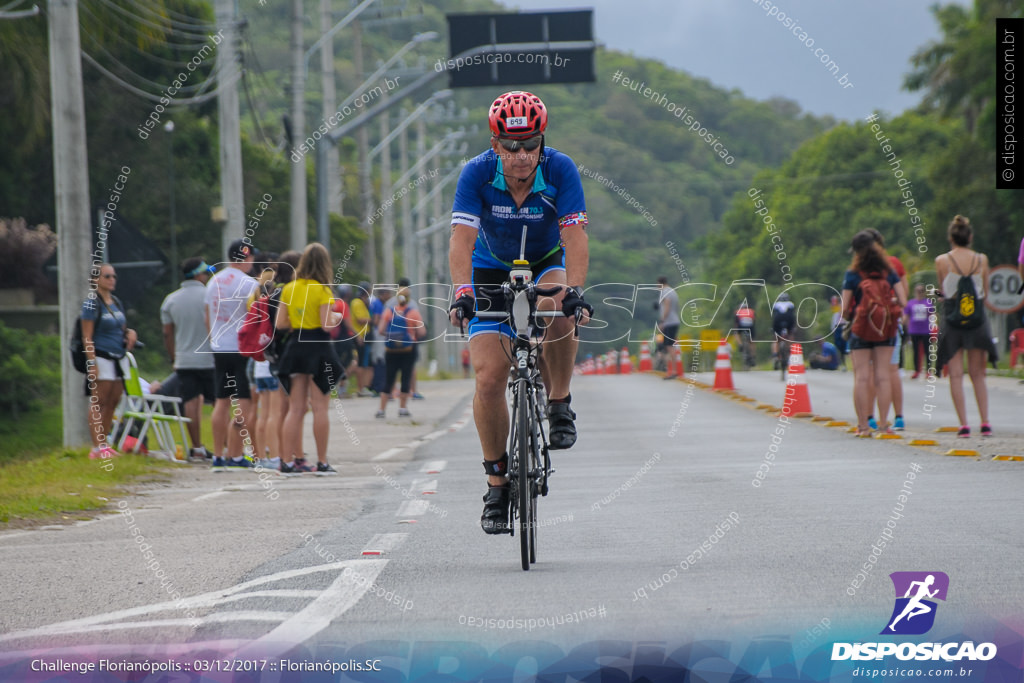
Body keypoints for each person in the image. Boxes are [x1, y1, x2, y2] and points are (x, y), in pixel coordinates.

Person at [447, 90, 593, 535]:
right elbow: (461, 239)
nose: (522, 156)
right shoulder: (475, 173)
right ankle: (497, 484)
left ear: (542, 141)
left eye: (531, 144)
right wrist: (463, 292)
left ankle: (559, 402)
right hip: (489, 268)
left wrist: (575, 290)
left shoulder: (560, 168)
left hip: (547, 259)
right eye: (511, 147)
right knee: (489, 377)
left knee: (558, 308)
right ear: (495, 145)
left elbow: (575, 237)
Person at [275, 242, 344, 475]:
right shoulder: (322, 290)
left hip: (296, 346)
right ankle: (322, 462)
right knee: (320, 407)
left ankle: (286, 461)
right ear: (325, 265)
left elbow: (281, 324)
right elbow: (326, 325)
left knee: (295, 408)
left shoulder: (289, 289)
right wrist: (336, 317)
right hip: (319, 348)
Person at [935, 215, 996, 438]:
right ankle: (986, 422)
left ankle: (963, 425)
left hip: (953, 319)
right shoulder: (982, 260)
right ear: (970, 237)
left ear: (951, 237)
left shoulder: (942, 260)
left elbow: (944, 290)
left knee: (956, 374)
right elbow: (985, 293)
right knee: (978, 374)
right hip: (977, 320)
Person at [841, 230, 907, 437]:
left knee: (861, 377)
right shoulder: (889, 271)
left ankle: (862, 426)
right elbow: (903, 301)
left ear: (857, 252)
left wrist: (855, 314)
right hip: (886, 329)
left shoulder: (852, 274)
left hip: (860, 329)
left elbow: (844, 308)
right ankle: (884, 425)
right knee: (883, 376)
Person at [204, 239, 258, 468]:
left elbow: (207, 317)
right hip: (241, 348)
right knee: (243, 402)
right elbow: (255, 317)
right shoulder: (248, 283)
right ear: (246, 257)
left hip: (219, 348)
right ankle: (235, 453)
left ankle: (218, 454)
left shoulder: (213, 281)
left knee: (221, 401)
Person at [160, 257, 216, 460]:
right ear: (200, 274)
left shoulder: (171, 300)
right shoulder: (210, 295)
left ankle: (197, 448)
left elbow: (167, 333)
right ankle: (226, 448)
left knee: (191, 402)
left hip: (184, 361)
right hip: (209, 359)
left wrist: (174, 356)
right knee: (221, 402)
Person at [81, 263, 137, 459]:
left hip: (118, 357)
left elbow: (121, 328)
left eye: (113, 276)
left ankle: (105, 443)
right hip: (101, 356)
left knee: (114, 400)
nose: (112, 279)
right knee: (99, 401)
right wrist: (92, 363)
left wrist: (130, 333)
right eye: (107, 276)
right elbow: (86, 336)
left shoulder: (116, 302)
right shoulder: (91, 303)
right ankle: (96, 447)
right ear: (96, 279)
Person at [866, 228, 908, 431]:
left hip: (869, 323)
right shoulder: (895, 264)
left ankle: (870, 417)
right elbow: (904, 294)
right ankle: (898, 417)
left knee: (872, 371)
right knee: (892, 370)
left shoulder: (861, 268)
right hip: (892, 319)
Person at [377, 287, 426, 418]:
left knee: (389, 378)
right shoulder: (413, 313)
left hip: (391, 349)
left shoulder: (389, 311)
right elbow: (422, 332)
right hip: (408, 350)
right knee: (406, 377)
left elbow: (380, 330)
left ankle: (382, 410)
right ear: (409, 299)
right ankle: (402, 408)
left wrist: (392, 336)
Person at [350, 282, 375, 396]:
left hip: (367, 334)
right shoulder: (357, 302)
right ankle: (360, 388)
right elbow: (360, 319)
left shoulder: (365, 303)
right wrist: (374, 320)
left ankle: (365, 387)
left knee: (367, 363)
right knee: (361, 363)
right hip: (360, 335)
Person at [905, 283, 934, 379]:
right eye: (918, 291)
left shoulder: (928, 303)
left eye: (921, 291)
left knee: (927, 351)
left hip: (926, 330)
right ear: (915, 292)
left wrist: (934, 327)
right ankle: (917, 370)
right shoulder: (911, 303)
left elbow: (933, 316)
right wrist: (907, 327)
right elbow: (906, 316)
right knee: (915, 351)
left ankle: (928, 371)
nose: (919, 293)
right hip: (914, 330)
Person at [657, 276, 681, 378]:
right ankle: (673, 370)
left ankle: (673, 371)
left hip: (669, 322)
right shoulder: (673, 291)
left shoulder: (665, 291)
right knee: (670, 346)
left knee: (669, 347)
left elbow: (667, 304)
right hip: (674, 321)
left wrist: (663, 320)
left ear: (660, 283)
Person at [771, 291, 796, 367]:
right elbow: (793, 316)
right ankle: (789, 352)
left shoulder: (776, 304)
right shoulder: (791, 304)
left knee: (776, 339)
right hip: (789, 319)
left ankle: (775, 356)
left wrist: (773, 329)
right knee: (790, 335)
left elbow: (774, 316)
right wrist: (793, 328)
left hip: (778, 320)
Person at [733, 298, 756, 368]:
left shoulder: (738, 311)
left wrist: (736, 330)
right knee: (752, 341)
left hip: (741, 324)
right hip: (750, 325)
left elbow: (736, 323)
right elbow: (754, 321)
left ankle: (740, 344)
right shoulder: (751, 311)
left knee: (736, 333)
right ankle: (753, 356)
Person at [829, 295, 848, 371]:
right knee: (838, 347)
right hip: (837, 329)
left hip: (844, 329)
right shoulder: (836, 314)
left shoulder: (845, 314)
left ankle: (845, 364)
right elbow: (833, 324)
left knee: (845, 348)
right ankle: (841, 363)